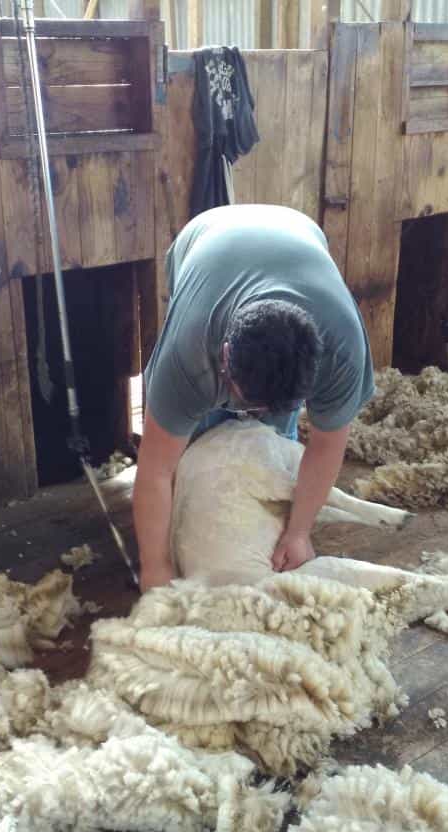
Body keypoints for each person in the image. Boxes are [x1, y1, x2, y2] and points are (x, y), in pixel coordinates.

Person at [134, 204, 375, 592]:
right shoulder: (188, 356)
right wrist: (154, 567)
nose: (254, 412)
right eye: (248, 400)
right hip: (205, 239)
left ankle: (274, 522)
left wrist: (299, 531)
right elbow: (156, 469)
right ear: (225, 354)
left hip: (299, 233)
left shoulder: (341, 350)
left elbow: (327, 446)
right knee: (195, 454)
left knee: (273, 440)